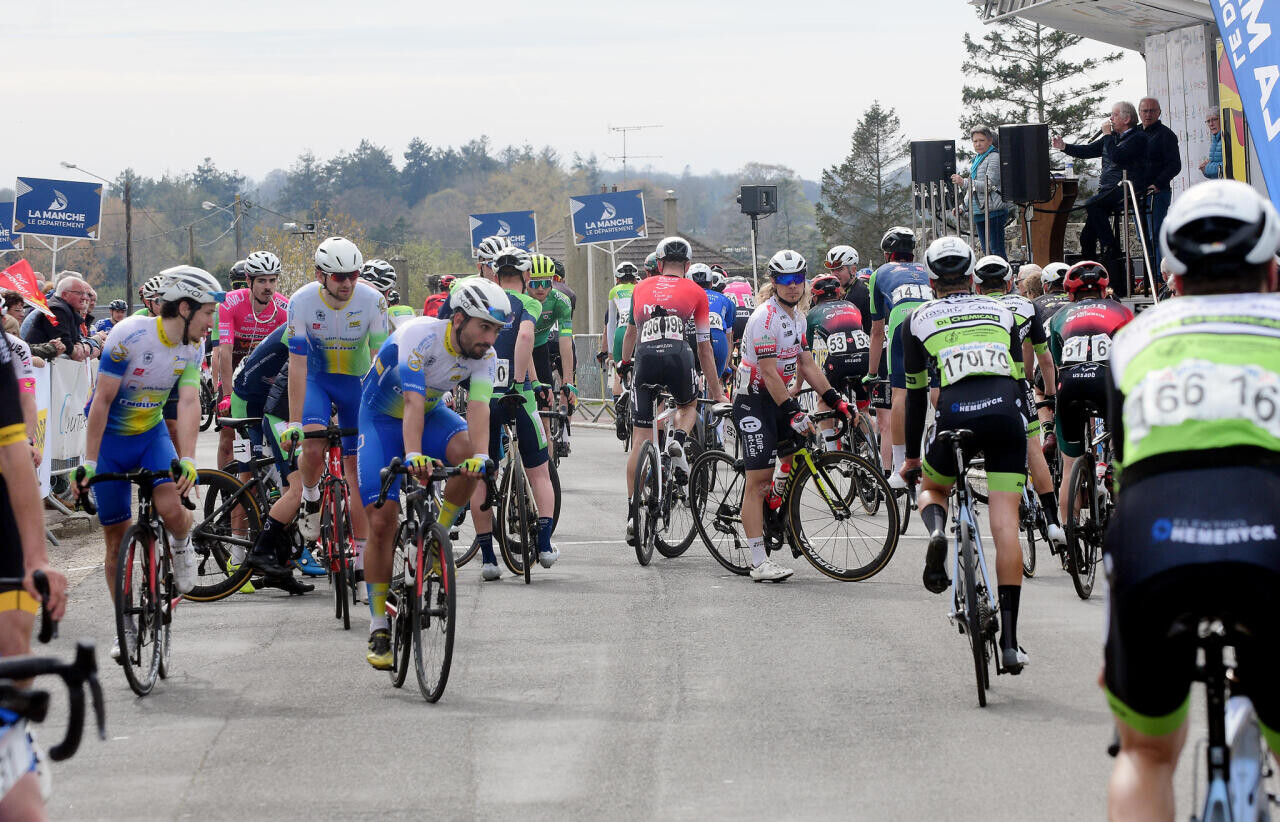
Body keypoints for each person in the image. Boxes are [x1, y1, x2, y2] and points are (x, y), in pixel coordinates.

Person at [1102, 179, 1280, 819]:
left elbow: (1126, 467)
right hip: (1273, 537)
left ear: (1173, 281)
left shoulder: (1134, 340)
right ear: (1272, 271)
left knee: (1144, 753)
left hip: (1156, 543)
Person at [356, 279, 505, 668]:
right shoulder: (419, 337)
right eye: (484, 327)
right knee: (383, 522)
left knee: (468, 456)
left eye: (496, 331)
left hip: (431, 413)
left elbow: (479, 408)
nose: (490, 339)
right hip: (380, 420)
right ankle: (378, 627)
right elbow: (411, 402)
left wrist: (483, 457)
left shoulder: (483, 355)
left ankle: (436, 536)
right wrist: (414, 454)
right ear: (458, 319)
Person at [75, 267, 223, 658]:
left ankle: (181, 545)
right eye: (209, 313)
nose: (213, 322)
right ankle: (123, 621)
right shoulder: (129, 336)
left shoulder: (193, 346)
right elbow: (101, 402)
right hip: (110, 442)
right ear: (186, 308)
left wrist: (188, 459)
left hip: (150, 436)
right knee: (115, 540)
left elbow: (190, 401)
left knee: (172, 507)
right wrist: (90, 462)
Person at [900, 237, 1031, 673]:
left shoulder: (917, 319)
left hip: (955, 413)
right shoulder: (1002, 311)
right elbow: (1019, 379)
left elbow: (917, 397)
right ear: (973, 278)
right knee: (1005, 522)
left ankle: (937, 531)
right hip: (1005, 415)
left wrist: (913, 459)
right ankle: (1010, 643)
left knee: (933, 487)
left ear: (932, 281)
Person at [244, 237, 389, 580]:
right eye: (339, 277)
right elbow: (296, 364)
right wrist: (294, 422)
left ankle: (360, 554)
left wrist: (380, 410)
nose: (348, 283)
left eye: (353, 274)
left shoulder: (374, 301)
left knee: (357, 474)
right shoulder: (302, 301)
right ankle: (310, 496)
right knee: (310, 442)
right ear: (320, 275)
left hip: (355, 384)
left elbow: (380, 361)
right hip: (317, 380)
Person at [731, 250, 853, 581]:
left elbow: (806, 363)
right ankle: (758, 563)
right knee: (758, 482)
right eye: (784, 280)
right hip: (754, 400)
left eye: (798, 279)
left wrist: (834, 398)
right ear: (774, 282)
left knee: (793, 454)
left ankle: (774, 506)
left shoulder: (799, 317)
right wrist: (793, 410)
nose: (792, 286)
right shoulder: (765, 318)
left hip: (779, 397)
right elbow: (769, 374)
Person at [0, 316, 67, 822]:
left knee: (10, 646)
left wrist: (36, 560)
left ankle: (12, 734)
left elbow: (13, 450)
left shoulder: (7, 349)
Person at [619, 236, 728, 543]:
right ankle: (678, 439)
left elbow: (630, 332)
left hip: (645, 359)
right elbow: (705, 349)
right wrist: (718, 392)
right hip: (679, 357)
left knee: (640, 440)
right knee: (688, 405)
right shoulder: (696, 291)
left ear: (658, 263)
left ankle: (631, 514)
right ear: (688, 265)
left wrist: (623, 362)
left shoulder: (641, 287)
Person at [461, 249, 560, 580]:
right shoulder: (528, 303)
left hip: (482, 396)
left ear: (494, 274)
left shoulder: (483, 302)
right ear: (527, 277)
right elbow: (527, 337)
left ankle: (489, 558)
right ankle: (544, 545)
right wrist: (521, 381)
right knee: (540, 471)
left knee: (480, 473)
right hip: (518, 396)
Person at [972, 255, 1066, 547]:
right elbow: (1045, 358)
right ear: (1011, 283)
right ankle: (1052, 522)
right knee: (1033, 451)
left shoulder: (974, 307)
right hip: (1017, 386)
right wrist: (1050, 395)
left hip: (979, 387)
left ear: (977, 288)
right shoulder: (1026, 306)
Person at [1046, 261, 1133, 529]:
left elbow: (1057, 363)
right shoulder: (1123, 311)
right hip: (1107, 383)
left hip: (1071, 384)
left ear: (1070, 294)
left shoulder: (1059, 316)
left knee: (1070, 464)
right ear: (1105, 291)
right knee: (1125, 454)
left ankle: (1068, 538)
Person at [866, 226, 935, 483]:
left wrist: (872, 373)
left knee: (901, 395)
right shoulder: (926, 269)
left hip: (901, 324)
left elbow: (876, 331)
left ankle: (898, 468)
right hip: (933, 322)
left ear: (887, 255)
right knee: (937, 390)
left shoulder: (880, 273)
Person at [216, 250, 289, 468]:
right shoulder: (230, 302)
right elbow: (225, 351)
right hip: (233, 374)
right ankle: (227, 486)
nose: (268, 286)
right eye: (262, 281)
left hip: (266, 376)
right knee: (228, 440)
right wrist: (226, 394)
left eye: (273, 280)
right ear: (248, 280)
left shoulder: (284, 308)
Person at [1053, 102, 1149, 260]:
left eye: (1115, 115)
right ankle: (1090, 271)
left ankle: (1111, 246)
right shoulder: (1111, 138)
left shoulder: (1138, 137)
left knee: (1092, 203)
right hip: (1107, 190)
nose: (1111, 118)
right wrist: (1064, 146)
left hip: (1125, 188)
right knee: (1086, 237)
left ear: (1127, 119)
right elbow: (1088, 150)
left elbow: (1117, 156)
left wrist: (1107, 135)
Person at [805, 273, 870, 449]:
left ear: (815, 296)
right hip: (865, 360)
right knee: (863, 407)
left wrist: (798, 385)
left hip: (838, 364)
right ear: (838, 292)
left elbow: (806, 353)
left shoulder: (812, 314)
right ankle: (871, 446)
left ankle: (832, 449)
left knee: (824, 398)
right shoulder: (852, 306)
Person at [527, 254, 576, 443]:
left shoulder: (560, 301)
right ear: (526, 281)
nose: (540, 288)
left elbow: (566, 342)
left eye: (546, 283)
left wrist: (568, 381)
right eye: (534, 283)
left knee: (545, 420)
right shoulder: (521, 299)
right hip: (519, 349)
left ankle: (547, 458)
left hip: (539, 348)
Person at [952, 126, 1011, 259]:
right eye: (975, 141)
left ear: (990, 141)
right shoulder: (978, 159)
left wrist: (963, 182)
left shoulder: (994, 157)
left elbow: (988, 185)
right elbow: (972, 188)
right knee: (987, 251)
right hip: (980, 212)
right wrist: (963, 207)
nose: (978, 144)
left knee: (996, 251)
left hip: (993, 211)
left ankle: (1004, 279)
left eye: (981, 140)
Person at [1139, 97, 1181, 277]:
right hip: (1137, 193)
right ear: (1139, 113)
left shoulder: (1166, 135)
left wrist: (1157, 183)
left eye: (1152, 111)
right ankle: (1150, 279)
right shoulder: (1135, 134)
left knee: (1155, 235)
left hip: (1157, 193)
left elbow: (1175, 165)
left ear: (1159, 112)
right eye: (1145, 111)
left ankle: (1160, 277)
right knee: (1143, 237)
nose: (1148, 115)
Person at [601, 261, 638, 437]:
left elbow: (610, 324)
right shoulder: (641, 288)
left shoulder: (614, 291)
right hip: (639, 331)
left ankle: (620, 411)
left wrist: (609, 352)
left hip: (621, 331)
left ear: (617, 278)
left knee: (619, 371)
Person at [21, 274, 93, 362]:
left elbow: (77, 340)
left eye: (85, 293)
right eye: (79, 293)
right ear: (65, 294)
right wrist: (77, 351)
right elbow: (66, 346)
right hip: (41, 369)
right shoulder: (56, 310)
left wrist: (81, 347)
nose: (85, 298)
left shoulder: (68, 310)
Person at [1199, 112, 1223, 179]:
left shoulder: (1227, 138)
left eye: (1214, 119)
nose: (1211, 124)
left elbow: (1230, 165)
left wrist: (1207, 168)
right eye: (1208, 121)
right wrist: (1204, 171)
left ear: (1222, 120)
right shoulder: (1214, 139)